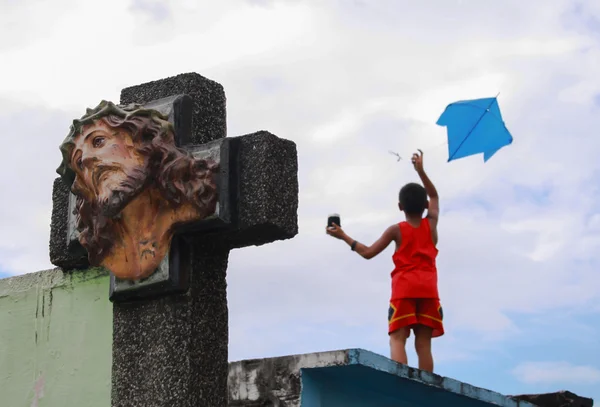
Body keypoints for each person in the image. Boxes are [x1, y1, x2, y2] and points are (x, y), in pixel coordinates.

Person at [325, 149, 443, 373]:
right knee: (423, 343)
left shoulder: (396, 230)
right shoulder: (432, 225)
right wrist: (421, 171)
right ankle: (428, 387)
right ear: (425, 205)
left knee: (398, 339)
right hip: (428, 288)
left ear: (400, 207)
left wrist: (343, 236)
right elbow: (435, 197)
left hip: (405, 288)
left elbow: (368, 252)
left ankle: (400, 383)